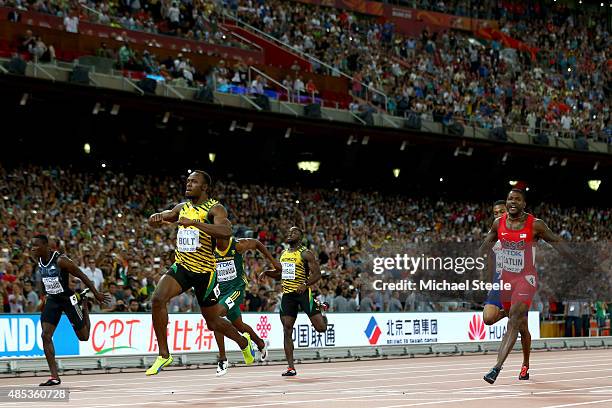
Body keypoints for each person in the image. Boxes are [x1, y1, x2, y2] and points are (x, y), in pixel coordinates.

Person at [146, 170, 256, 376]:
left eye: (193, 182)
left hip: (206, 273)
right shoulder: (182, 207)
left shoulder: (215, 209)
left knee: (213, 322)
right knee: (158, 299)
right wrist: (155, 219)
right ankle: (164, 354)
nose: (188, 184)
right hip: (183, 267)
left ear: (204, 187)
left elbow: (226, 232)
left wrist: (195, 223)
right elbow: (167, 216)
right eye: (187, 181)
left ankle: (243, 342)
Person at [481, 189, 581, 384]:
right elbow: (485, 246)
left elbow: (556, 241)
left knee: (515, 321)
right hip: (505, 280)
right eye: (510, 198)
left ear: (524, 204)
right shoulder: (498, 225)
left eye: (517, 199)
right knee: (521, 327)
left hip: (525, 279)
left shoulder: (535, 225)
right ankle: (525, 364)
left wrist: (576, 260)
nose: (512, 202)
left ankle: (496, 367)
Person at [32, 235, 109, 386]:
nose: (33, 249)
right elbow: (45, 281)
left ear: (46, 246)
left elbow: (82, 275)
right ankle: (54, 377)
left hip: (68, 300)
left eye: (36, 246)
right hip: (53, 300)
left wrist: (96, 293)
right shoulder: (39, 261)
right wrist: (44, 297)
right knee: (45, 335)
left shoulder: (61, 260)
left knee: (84, 337)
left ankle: (84, 305)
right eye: (32, 246)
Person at [259, 226, 327, 376]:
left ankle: (321, 311)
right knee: (287, 329)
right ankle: (291, 367)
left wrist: (305, 284)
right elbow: (280, 274)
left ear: (301, 237)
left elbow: (318, 274)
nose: (290, 234)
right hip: (288, 295)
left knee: (321, 328)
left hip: (303, 293)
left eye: (294, 232)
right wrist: (267, 273)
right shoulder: (283, 254)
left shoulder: (305, 254)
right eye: (289, 232)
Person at [213, 234, 282, 376]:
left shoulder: (237, 245)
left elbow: (257, 243)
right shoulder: (210, 248)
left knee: (215, 317)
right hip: (220, 292)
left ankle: (222, 359)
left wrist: (273, 261)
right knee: (239, 325)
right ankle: (260, 343)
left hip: (236, 289)